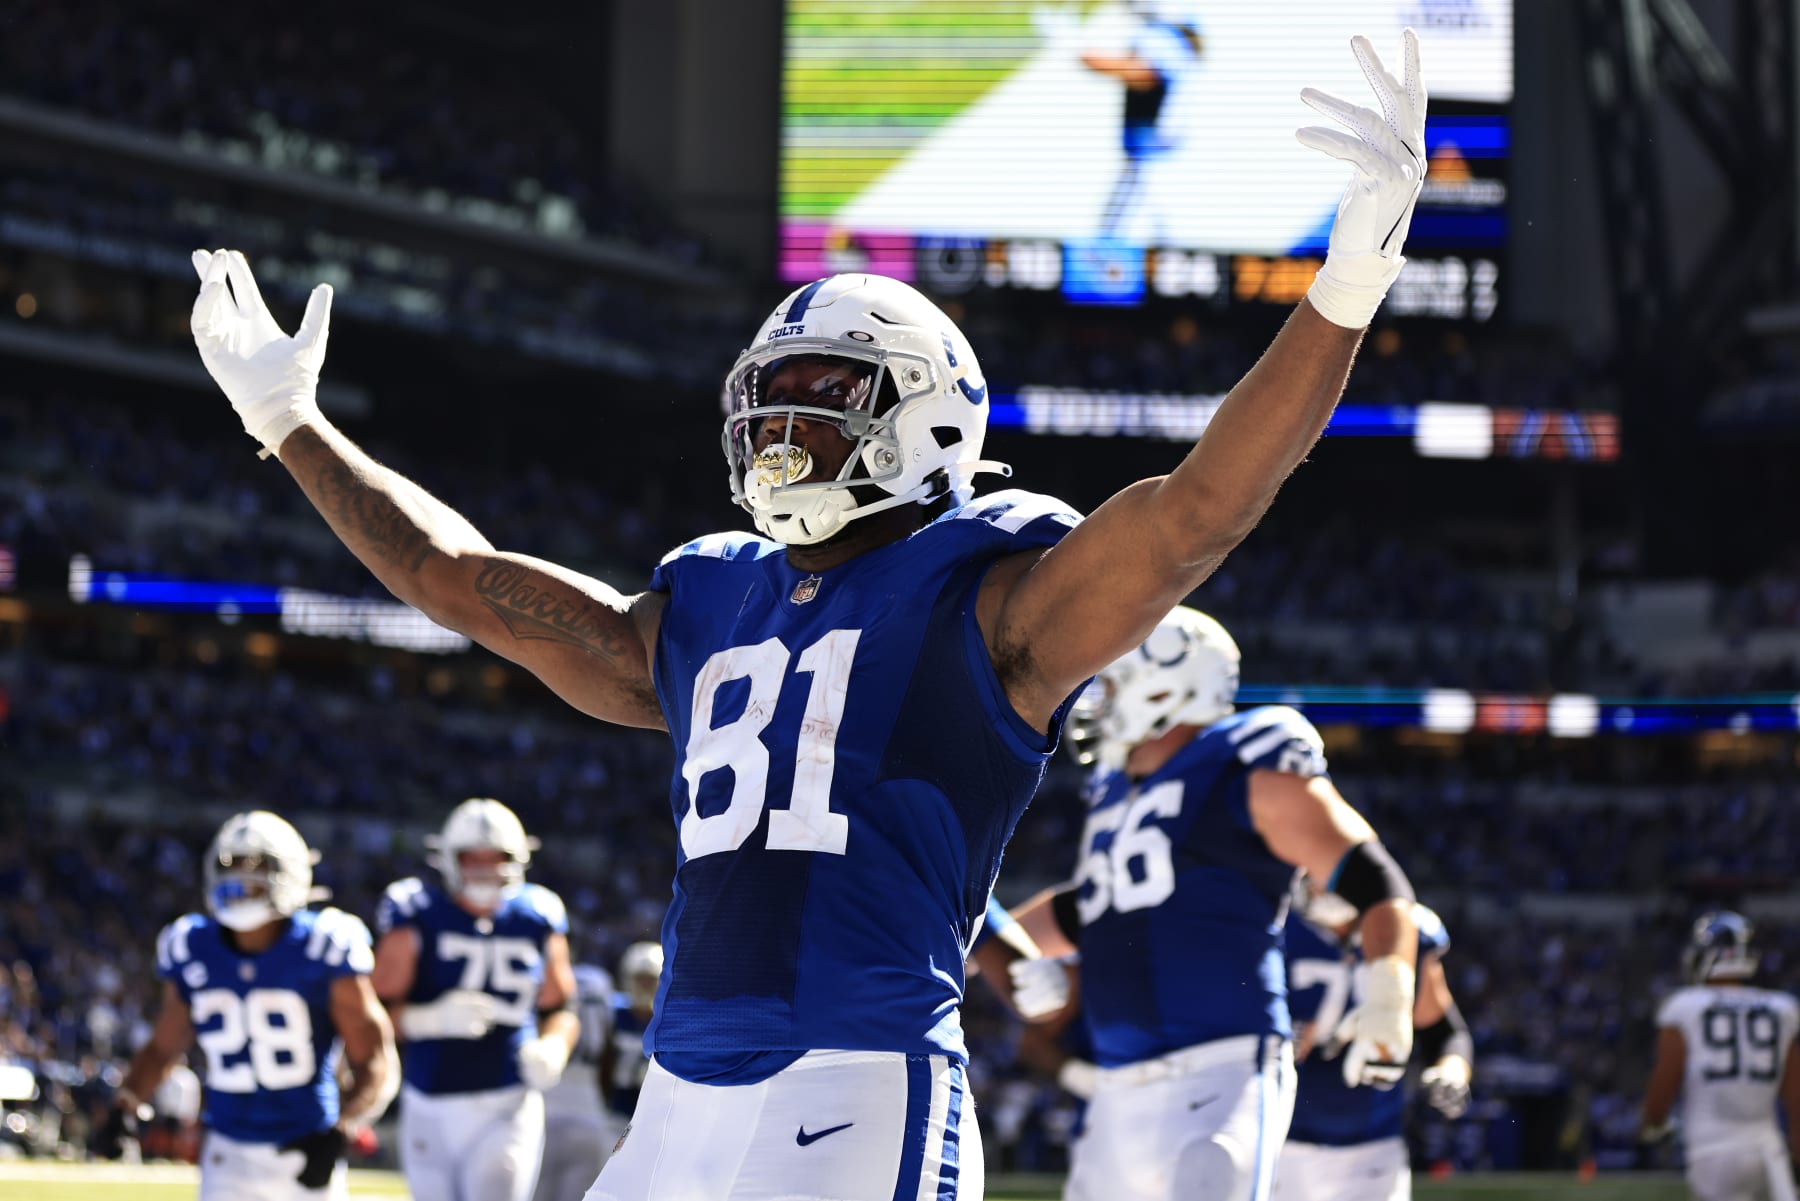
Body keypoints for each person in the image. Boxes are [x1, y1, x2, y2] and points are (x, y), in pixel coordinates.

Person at [186, 30, 1426, 1198]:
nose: (785, 424)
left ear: (928, 412)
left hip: (858, 1080)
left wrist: (1349, 282)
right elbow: (462, 579)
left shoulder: (988, 589)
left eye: (825, 392)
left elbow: (1196, 509)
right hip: (677, 1095)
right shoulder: (709, 598)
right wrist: (292, 427)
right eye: (769, 398)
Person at [1008, 608, 1420, 1200]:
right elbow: (1095, 906)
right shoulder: (1117, 794)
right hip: (1117, 1082)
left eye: (1115, 683)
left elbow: (1376, 883)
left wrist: (1388, 995)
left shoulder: (1242, 760)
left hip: (1221, 1069)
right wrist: (972, 943)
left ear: (1167, 684)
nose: (1099, 702)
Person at [96, 812, 397, 1200]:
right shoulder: (191, 946)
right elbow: (163, 1048)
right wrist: (127, 1103)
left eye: (257, 867)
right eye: (231, 866)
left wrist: (343, 1129)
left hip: (305, 1146)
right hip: (226, 1152)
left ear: (289, 874)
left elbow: (375, 1058)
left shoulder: (323, 945)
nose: (242, 880)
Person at [373, 798, 580, 1201]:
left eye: (496, 857)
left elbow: (561, 1008)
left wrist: (554, 1046)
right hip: (427, 1101)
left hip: (506, 1099)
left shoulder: (537, 915)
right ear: (448, 858)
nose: (485, 868)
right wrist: (423, 1020)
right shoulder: (416, 912)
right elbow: (372, 1011)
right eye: (473, 857)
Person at [1274, 885, 1473, 1201]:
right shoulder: (1276, 926)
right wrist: (1278, 1037)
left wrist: (1451, 1072)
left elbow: (1444, 1032)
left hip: (1374, 1145)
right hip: (1284, 1141)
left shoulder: (1406, 930)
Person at [1641, 912, 1800, 1201]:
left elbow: (1663, 1085)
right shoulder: (1782, 1007)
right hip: (1768, 1150)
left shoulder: (1684, 1006)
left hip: (1713, 1150)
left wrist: (1654, 1124)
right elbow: (1796, 1096)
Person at [1078, 0, 1206, 240]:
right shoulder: (1174, 36)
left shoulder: (1161, 36)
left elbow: (1142, 74)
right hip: (1155, 154)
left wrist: (1085, 54)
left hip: (1155, 157)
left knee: (1124, 239)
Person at [535, 958, 617, 1201]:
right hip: (589, 1114)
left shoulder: (537, 973)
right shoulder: (597, 980)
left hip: (543, 1115)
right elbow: (607, 1054)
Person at [599, 943, 660, 1145]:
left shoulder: (667, 1020)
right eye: (639, 978)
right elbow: (604, 1061)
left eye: (650, 980)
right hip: (617, 1111)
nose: (644, 985)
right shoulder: (615, 1013)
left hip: (655, 1113)